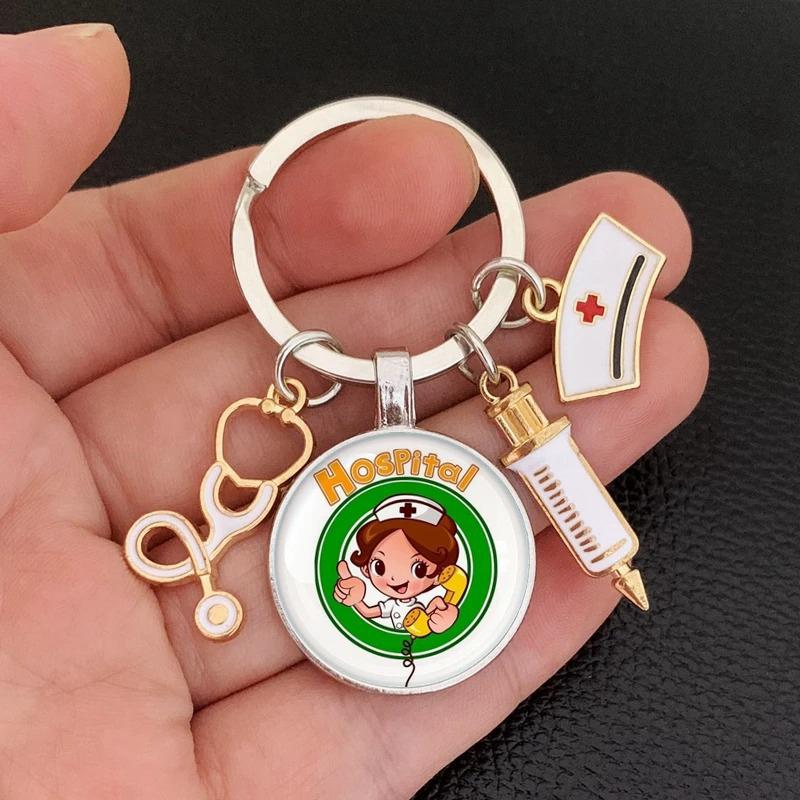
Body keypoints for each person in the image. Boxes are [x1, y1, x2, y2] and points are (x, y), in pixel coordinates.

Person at [0, 22, 706, 799]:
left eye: (411, 569)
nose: (396, 577)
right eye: (386, 566)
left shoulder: (436, 597)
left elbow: (439, 606)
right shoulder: (362, 583)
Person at [334, 495, 461, 633]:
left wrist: (446, 620)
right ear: (366, 569)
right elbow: (367, 612)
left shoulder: (427, 608)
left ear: (439, 575)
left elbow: (432, 620)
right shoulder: (390, 606)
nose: (394, 578)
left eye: (419, 569)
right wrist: (356, 598)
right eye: (379, 567)